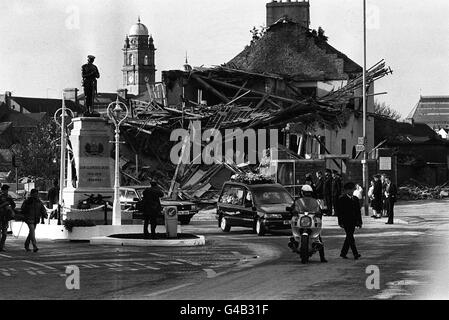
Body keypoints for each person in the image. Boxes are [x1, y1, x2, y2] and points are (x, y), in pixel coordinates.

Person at [294, 185, 327, 263]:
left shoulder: (315, 201)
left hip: (311, 219)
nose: (307, 194)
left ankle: (322, 257)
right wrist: (292, 210)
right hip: (301, 219)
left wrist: (320, 212)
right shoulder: (298, 201)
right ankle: (294, 241)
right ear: (302, 192)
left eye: (308, 193)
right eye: (306, 193)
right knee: (294, 225)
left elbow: (319, 210)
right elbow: (293, 208)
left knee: (318, 236)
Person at [336, 182, 362, 260]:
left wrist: (359, 222)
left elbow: (358, 212)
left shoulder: (355, 199)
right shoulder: (342, 199)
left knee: (349, 237)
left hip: (353, 221)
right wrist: (340, 222)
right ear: (346, 190)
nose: (351, 191)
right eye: (350, 190)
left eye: (352, 190)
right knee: (350, 237)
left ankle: (343, 253)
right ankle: (355, 253)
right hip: (346, 221)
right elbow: (339, 212)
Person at [0, 185, 16, 252]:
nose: (6, 191)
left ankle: (2, 246)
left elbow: (13, 205)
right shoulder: (0, 197)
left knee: (4, 233)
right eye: (5, 190)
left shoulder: (9, 197)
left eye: (7, 190)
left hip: (5, 217)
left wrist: (10, 209)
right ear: (2, 190)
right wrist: (4, 204)